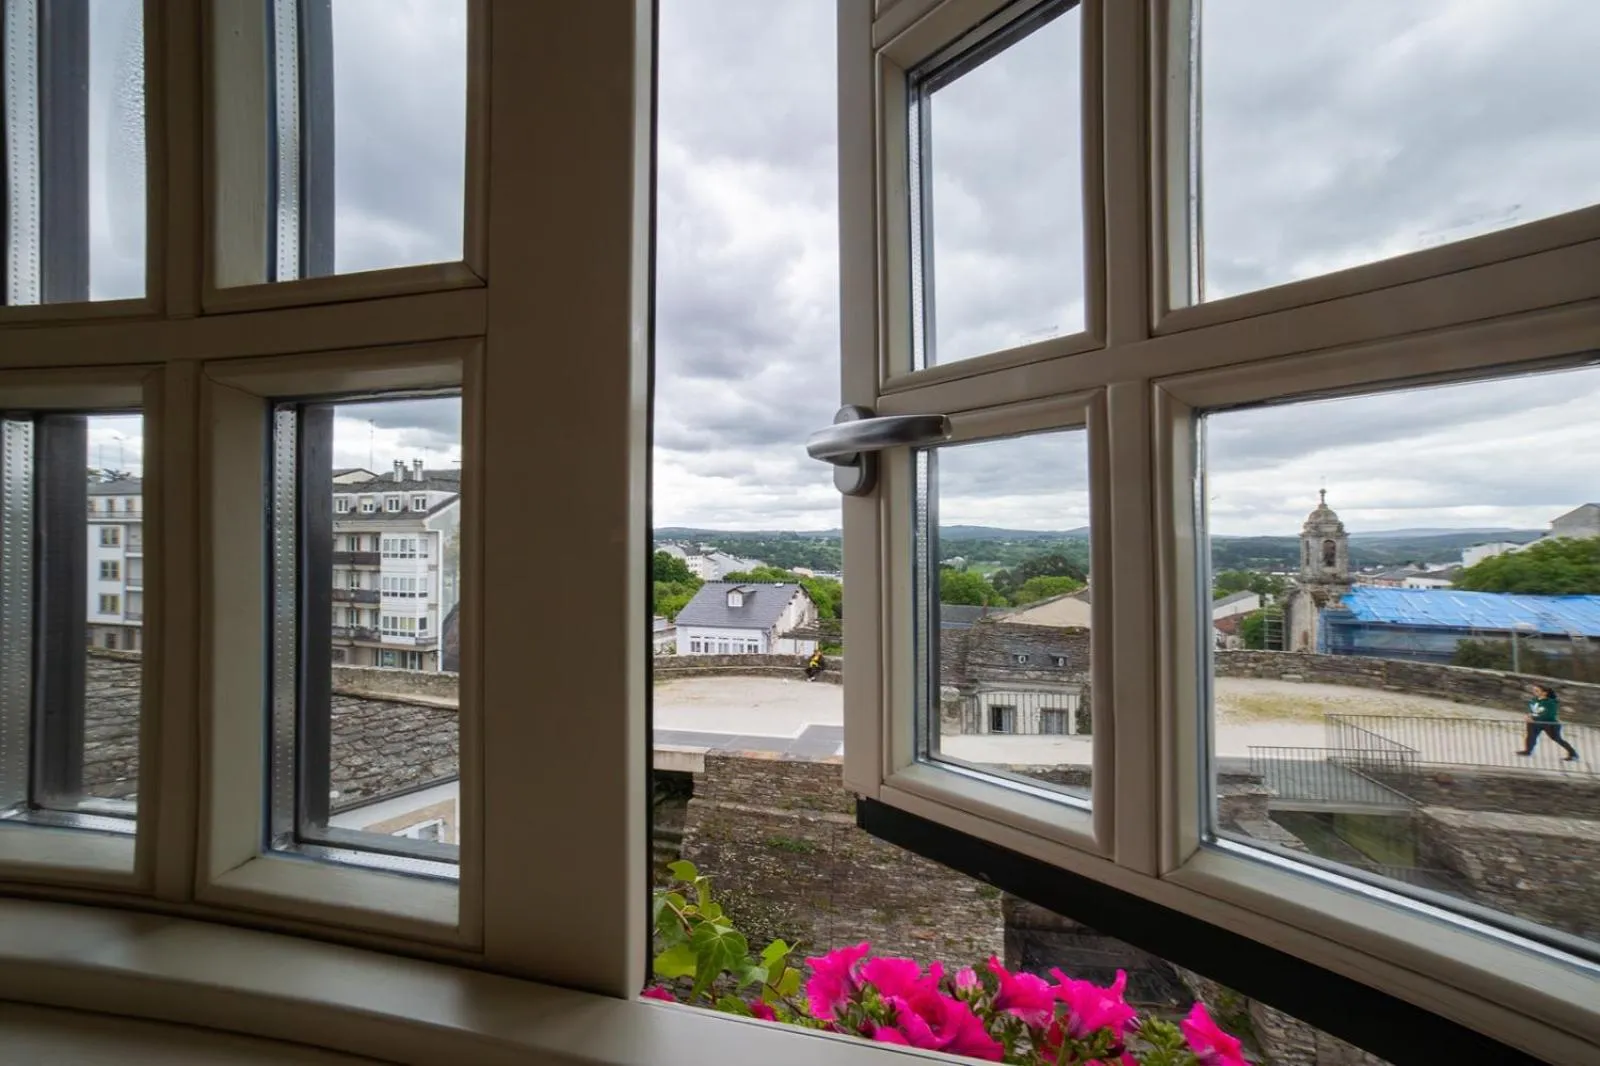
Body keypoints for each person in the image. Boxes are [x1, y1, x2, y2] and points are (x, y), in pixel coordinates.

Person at [1516, 683, 1580, 761]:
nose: (1534, 692)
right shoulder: (1534, 700)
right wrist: (1528, 716)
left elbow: (1549, 714)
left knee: (1557, 738)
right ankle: (1528, 751)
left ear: (1544, 693)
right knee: (1531, 737)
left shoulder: (1551, 702)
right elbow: (1532, 710)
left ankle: (1573, 754)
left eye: (1536, 691)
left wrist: (1534, 719)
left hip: (1550, 724)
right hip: (1534, 723)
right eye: (1534, 690)